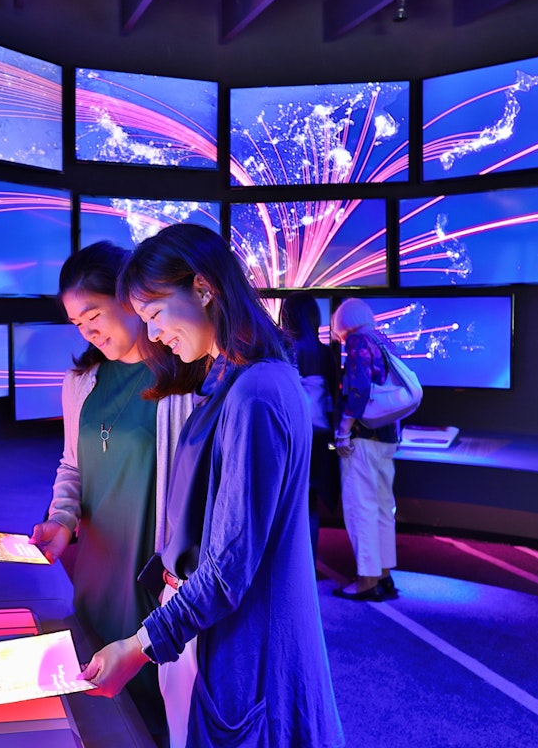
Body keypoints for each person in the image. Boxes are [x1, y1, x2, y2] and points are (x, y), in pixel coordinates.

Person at [78, 224, 344, 748]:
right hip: (224, 638)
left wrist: (139, 645)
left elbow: (227, 568)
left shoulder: (255, 392)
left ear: (203, 288)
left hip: (248, 650)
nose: (152, 334)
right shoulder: (241, 378)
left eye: (154, 314)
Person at [30, 241, 193, 741]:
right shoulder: (81, 380)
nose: (88, 331)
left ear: (129, 298)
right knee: (101, 710)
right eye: (78, 324)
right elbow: (73, 466)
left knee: (159, 708)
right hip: (97, 570)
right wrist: (62, 520)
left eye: (94, 314)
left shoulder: (183, 376)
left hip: (153, 575)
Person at [330, 297, 400, 601]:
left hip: (364, 439)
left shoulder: (358, 341)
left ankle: (367, 580)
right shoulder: (382, 340)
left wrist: (343, 430)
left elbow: (359, 388)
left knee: (361, 508)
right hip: (387, 437)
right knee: (384, 508)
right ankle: (384, 574)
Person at [279, 292, 341, 563]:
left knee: (286, 504)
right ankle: (309, 565)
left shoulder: (283, 348)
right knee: (310, 504)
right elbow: (334, 399)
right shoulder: (325, 353)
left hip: (291, 436)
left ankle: (289, 566)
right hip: (321, 436)